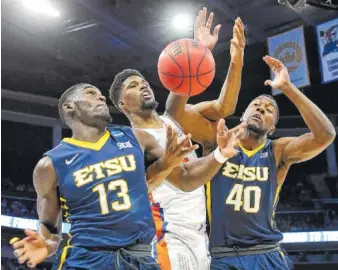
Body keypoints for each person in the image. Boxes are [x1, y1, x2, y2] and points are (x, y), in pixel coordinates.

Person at [11, 83, 244, 269]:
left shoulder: (137, 138)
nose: (101, 97)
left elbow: (185, 179)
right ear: (69, 107)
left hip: (139, 258)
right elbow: (50, 230)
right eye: (91, 94)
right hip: (88, 259)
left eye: (102, 95)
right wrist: (45, 244)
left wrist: (220, 155)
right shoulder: (50, 165)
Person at [166, 55, 336, 269]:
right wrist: (195, 57)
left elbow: (326, 135)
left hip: (266, 253)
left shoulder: (277, 151)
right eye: (256, 105)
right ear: (242, 116)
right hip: (222, 254)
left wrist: (288, 88)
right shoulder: (217, 138)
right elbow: (174, 113)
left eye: (268, 111)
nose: (260, 109)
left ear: (272, 128)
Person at [108, 9, 245, 270]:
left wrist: (214, 56)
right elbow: (185, 179)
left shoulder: (173, 119)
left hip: (198, 234)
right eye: (133, 86)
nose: (143, 85)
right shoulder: (134, 140)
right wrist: (219, 155)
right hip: (166, 235)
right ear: (123, 104)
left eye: (143, 81)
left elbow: (223, 108)